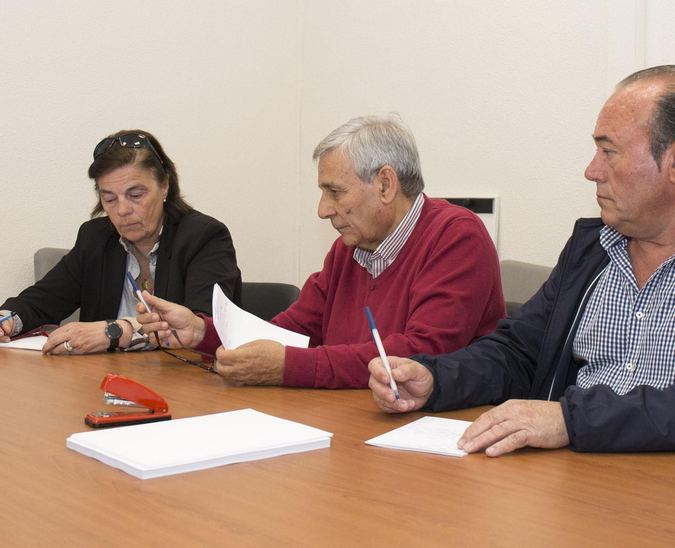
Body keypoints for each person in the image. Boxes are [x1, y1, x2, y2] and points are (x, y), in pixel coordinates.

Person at [365, 65, 675, 464]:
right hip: (578, 491)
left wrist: (572, 419)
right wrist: (436, 379)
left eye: (609, 151)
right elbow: (520, 352)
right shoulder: (592, 250)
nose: (592, 170)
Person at [136, 115, 505, 387]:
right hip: (355, 423)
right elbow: (292, 332)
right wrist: (203, 332)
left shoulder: (457, 237)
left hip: (436, 439)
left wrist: (289, 367)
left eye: (335, 192)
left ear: (386, 185)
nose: (323, 209)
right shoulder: (350, 248)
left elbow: (418, 355)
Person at [0, 129, 240, 356]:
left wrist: (115, 331)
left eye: (136, 195)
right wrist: (5, 321)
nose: (121, 210)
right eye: (109, 199)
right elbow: (43, 300)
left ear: (165, 186)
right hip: (102, 384)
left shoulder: (204, 237)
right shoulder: (96, 238)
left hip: (184, 388)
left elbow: (202, 327)